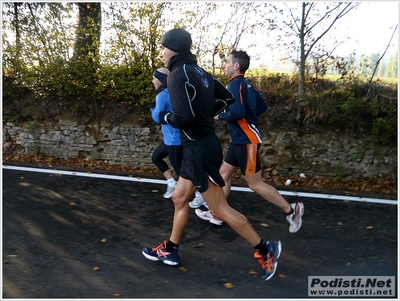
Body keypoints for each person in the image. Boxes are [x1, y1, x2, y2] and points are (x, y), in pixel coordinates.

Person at [141, 28, 282, 281]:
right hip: (200, 146)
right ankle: (170, 250)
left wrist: (163, 117)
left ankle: (265, 249)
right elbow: (227, 98)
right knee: (180, 198)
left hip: (198, 149)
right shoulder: (200, 73)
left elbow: (183, 118)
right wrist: (205, 115)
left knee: (220, 209)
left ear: (174, 48)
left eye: (163, 47)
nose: (161, 52)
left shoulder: (176, 75)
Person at [194, 50, 304, 233]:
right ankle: (216, 213)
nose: (224, 65)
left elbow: (237, 112)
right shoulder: (246, 84)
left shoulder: (234, 85)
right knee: (224, 174)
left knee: (255, 184)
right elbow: (262, 106)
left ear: (236, 65)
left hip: (247, 140)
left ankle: (292, 211)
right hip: (240, 139)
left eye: (227, 61)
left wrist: (219, 116)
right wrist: (248, 120)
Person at [149, 67, 182, 198]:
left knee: (182, 172)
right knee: (156, 157)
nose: (153, 81)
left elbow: (157, 118)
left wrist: (152, 109)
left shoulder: (162, 95)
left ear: (161, 80)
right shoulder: (174, 92)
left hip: (174, 140)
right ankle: (171, 182)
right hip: (171, 138)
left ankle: (200, 195)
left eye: (154, 78)